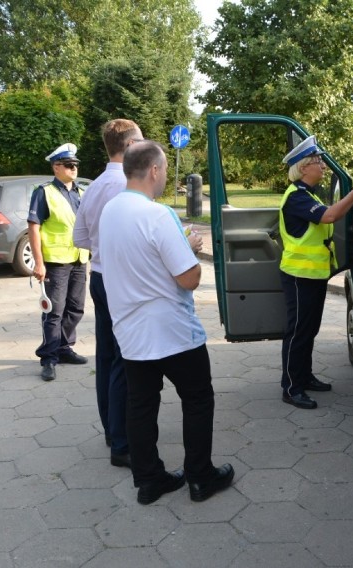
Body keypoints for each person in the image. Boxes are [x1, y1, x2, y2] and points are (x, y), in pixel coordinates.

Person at [98, 140, 234, 504]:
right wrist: (190, 249)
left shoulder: (110, 210)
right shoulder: (156, 215)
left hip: (130, 330)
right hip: (172, 331)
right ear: (155, 170)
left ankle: (149, 480)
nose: (164, 180)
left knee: (140, 403)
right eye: (163, 173)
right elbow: (188, 278)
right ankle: (200, 476)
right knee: (198, 398)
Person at [279, 135, 353, 409]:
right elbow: (330, 216)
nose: (322, 166)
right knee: (297, 332)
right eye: (318, 161)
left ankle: (304, 377)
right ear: (303, 167)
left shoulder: (307, 195)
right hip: (299, 276)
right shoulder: (296, 197)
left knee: (309, 330)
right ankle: (291, 387)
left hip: (314, 275)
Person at [73, 119, 143, 469]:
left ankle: (111, 429)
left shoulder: (97, 184)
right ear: (129, 146)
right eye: (141, 141)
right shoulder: (125, 185)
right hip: (120, 280)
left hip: (98, 275)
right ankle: (122, 442)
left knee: (106, 356)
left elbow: (80, 239)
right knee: (123, 361)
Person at [28, 143, 89, 382]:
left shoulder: (81, 192)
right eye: (69, 165)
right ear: (56, 167)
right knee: (54, 311)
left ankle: (64, 348)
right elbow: (34, 228)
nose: (74, 168)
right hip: (55, 262)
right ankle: (49, 358)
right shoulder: (44, 192)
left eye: (75, 165)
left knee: (76, 308)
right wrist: (38, 262)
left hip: (79, 259)